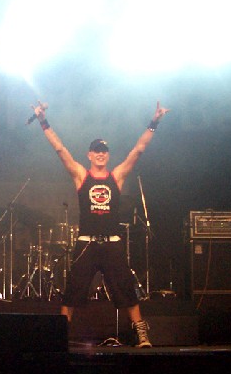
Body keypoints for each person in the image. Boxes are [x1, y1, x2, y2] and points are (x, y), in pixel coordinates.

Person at [31, 99, 170, 347]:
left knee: (126, 289)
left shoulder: (116, 177)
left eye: (104, 150)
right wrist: (43, 121)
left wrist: (154, 122)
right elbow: (60, 149)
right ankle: (59, 336)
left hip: (112, 244)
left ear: (108, 155)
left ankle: (141, 334)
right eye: (96, 150)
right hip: (87, 243)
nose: (100, 154)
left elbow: (138, 150)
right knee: (73, 291)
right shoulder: (81, 176)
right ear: (89, 155)